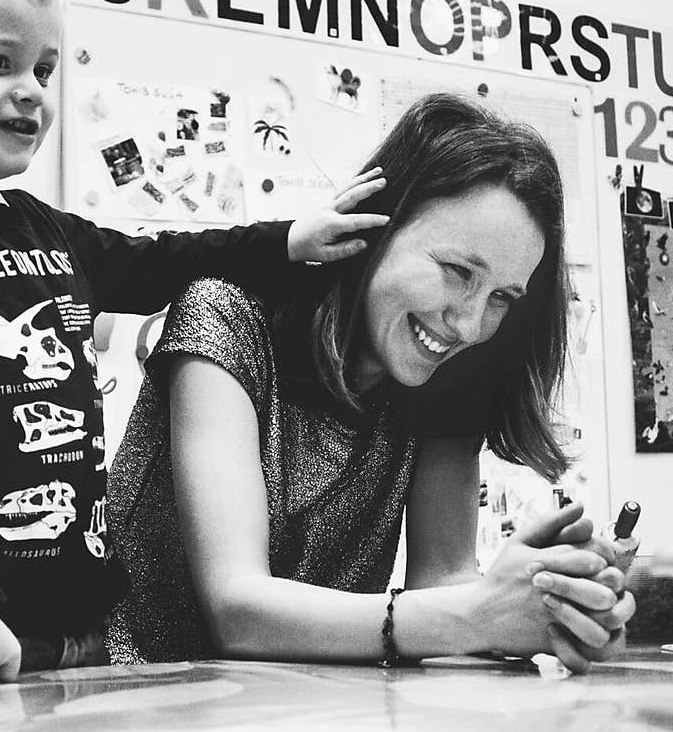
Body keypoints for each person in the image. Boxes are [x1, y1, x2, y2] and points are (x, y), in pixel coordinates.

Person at [0, 0, 387, 692]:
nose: (32, 90)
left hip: (72, 617)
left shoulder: (45, 228)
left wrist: (289, 240)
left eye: (44, 68)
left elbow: (166, 262)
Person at [107, 93, 635, 674]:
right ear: (377, 226)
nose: (469, 323)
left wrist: (554, 608)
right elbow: (237, 608)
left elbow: (444, 581)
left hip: (325, 726)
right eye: (458, 271)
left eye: (503, 298)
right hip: (138, 714)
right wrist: (477, 615)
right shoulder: (225, 316)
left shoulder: (450, 380)